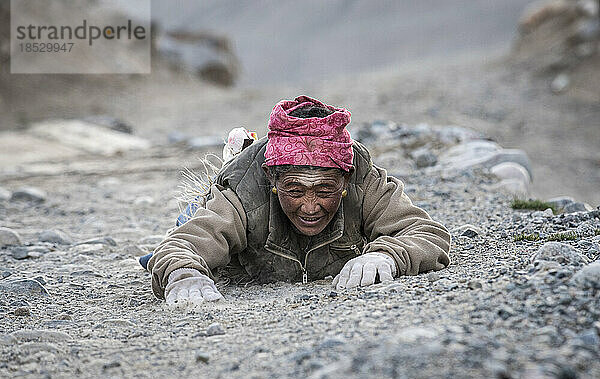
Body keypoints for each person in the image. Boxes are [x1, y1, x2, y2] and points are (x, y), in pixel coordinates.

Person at [147, 95, 451, 305]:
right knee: (172, 244)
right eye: (295, 190)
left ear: (344, 181)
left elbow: (427, 234)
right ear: (273, 180)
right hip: (230, 231)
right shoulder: (243, 194)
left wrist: (386, 256)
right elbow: (181, 245)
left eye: (324, 190)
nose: (309, 207)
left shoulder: (362, 179)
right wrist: (183, 274)